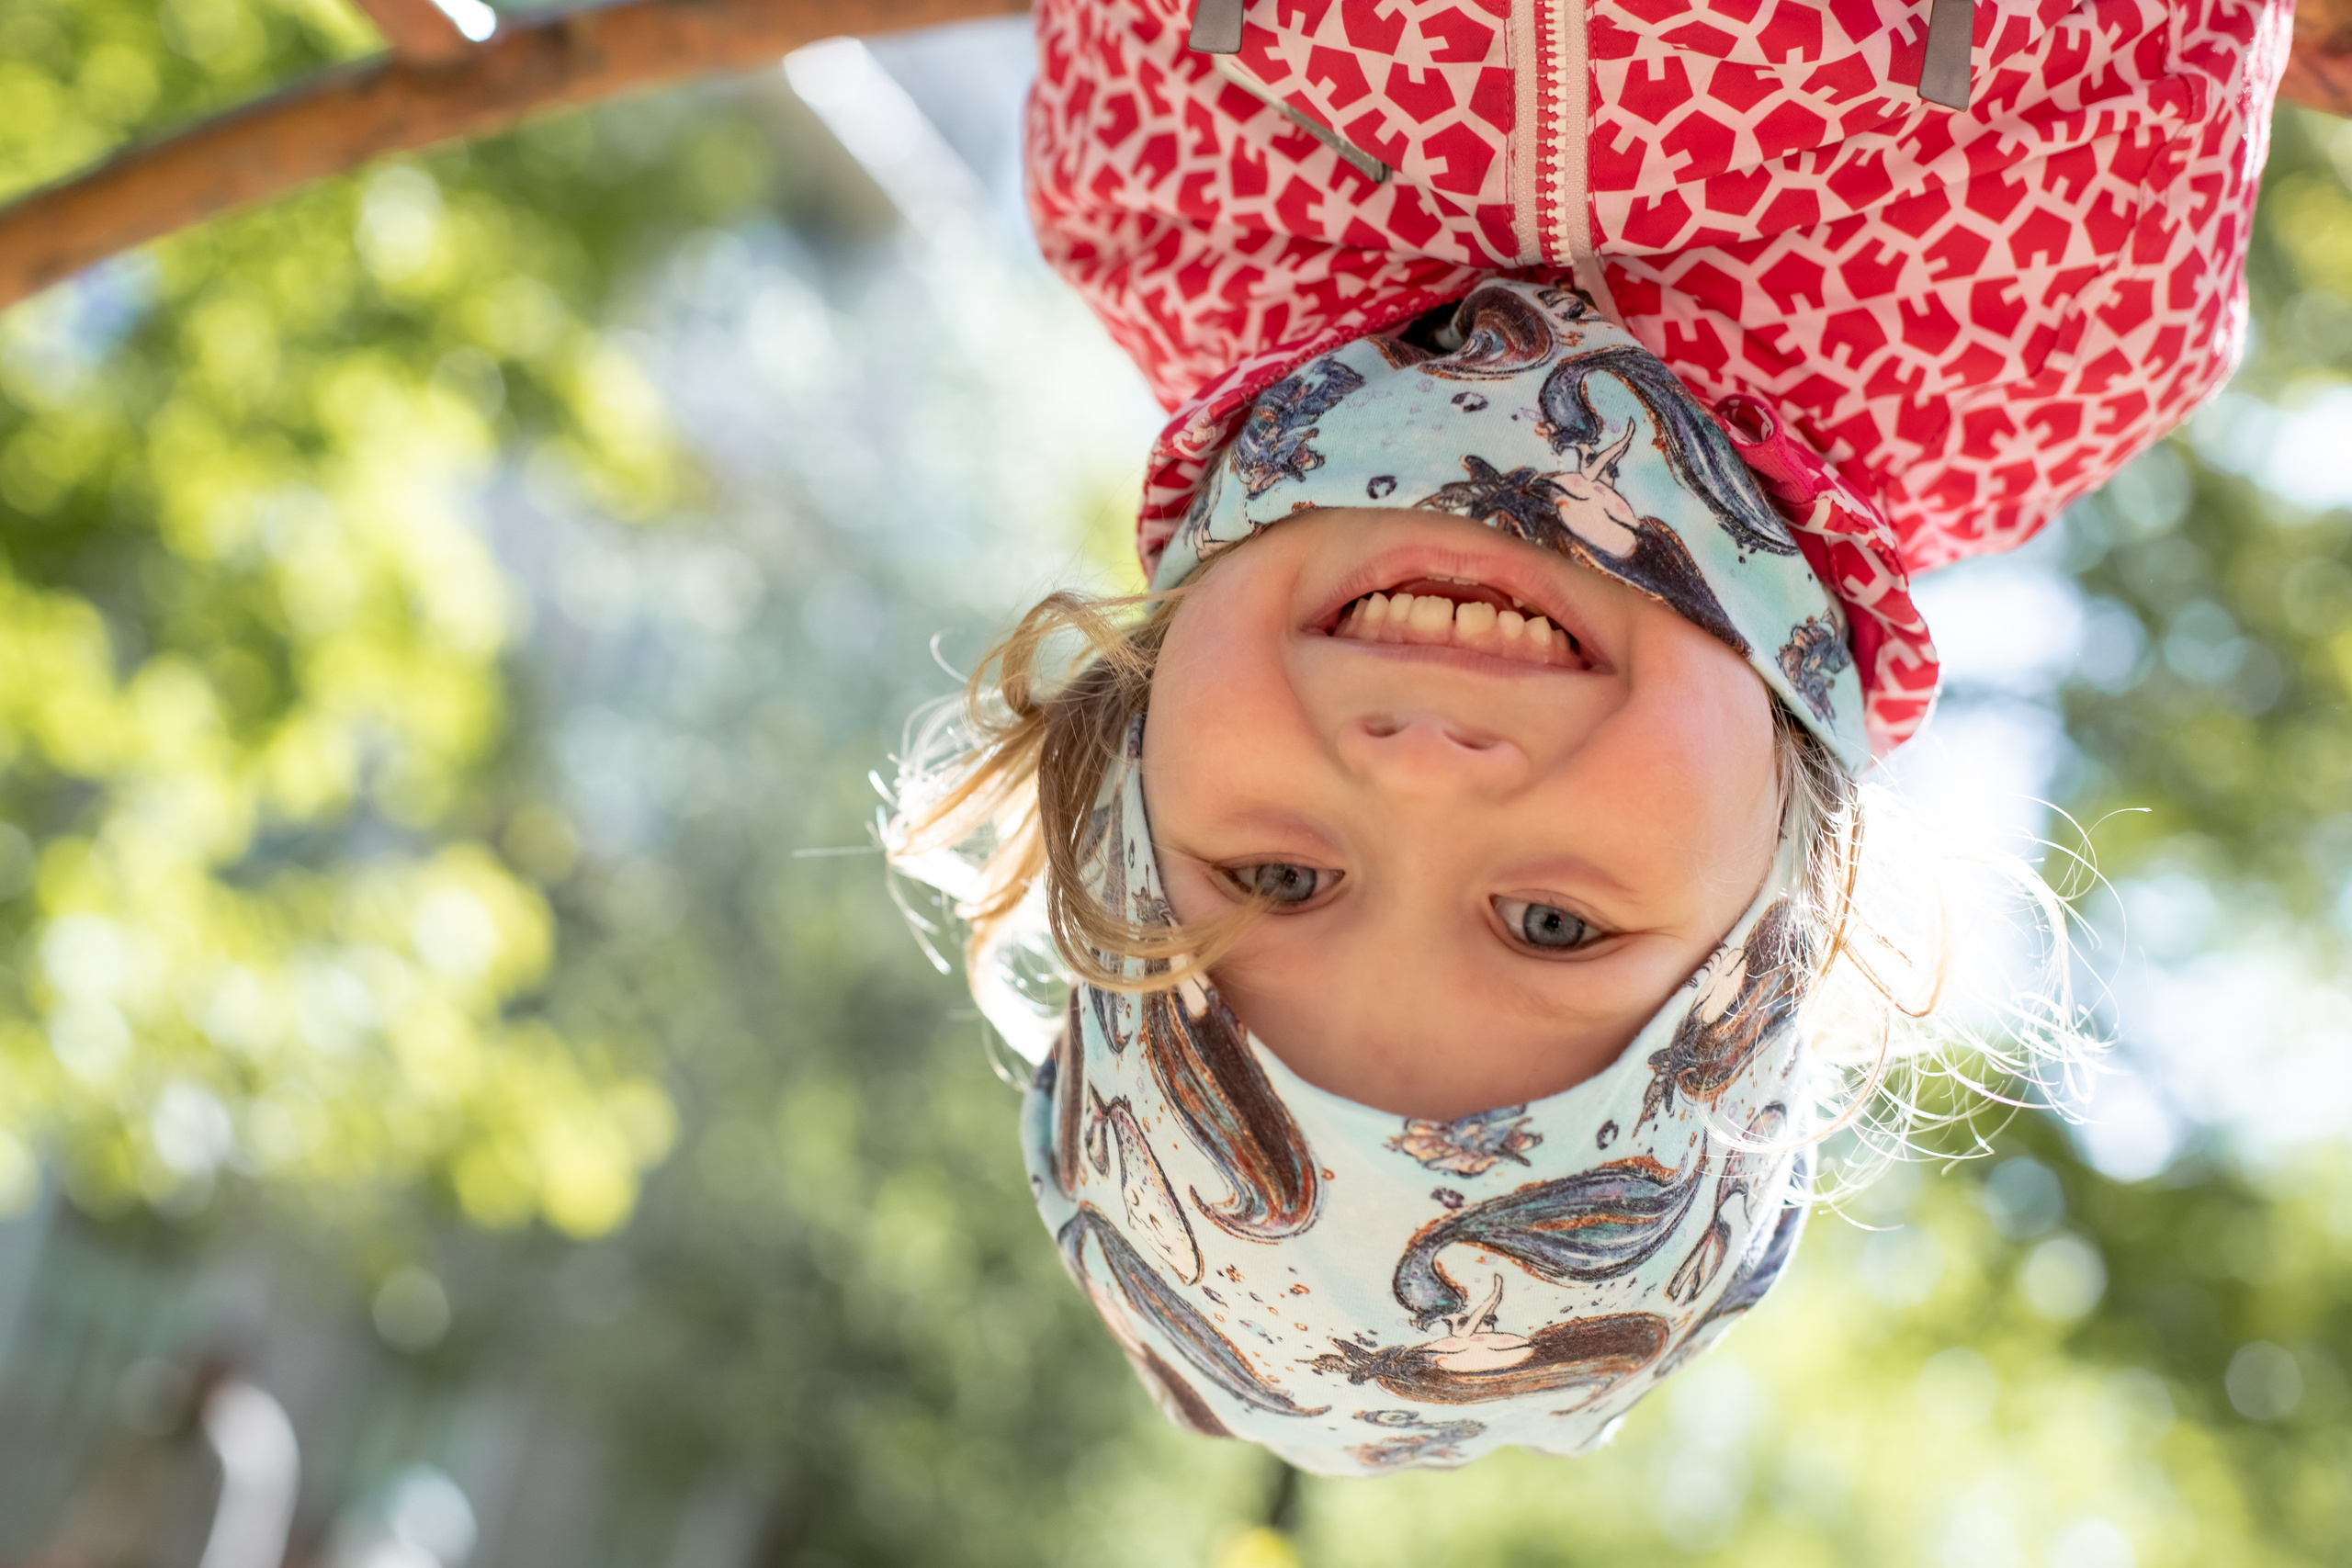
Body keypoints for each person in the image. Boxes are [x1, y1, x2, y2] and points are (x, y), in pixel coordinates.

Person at [887, 0, 2296, 1473]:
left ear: (1126, 763)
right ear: (1786, 901)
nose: (1422, 773)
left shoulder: (1154, 202)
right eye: (1550, 923)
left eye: (1284, 881)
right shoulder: (2061, 329)